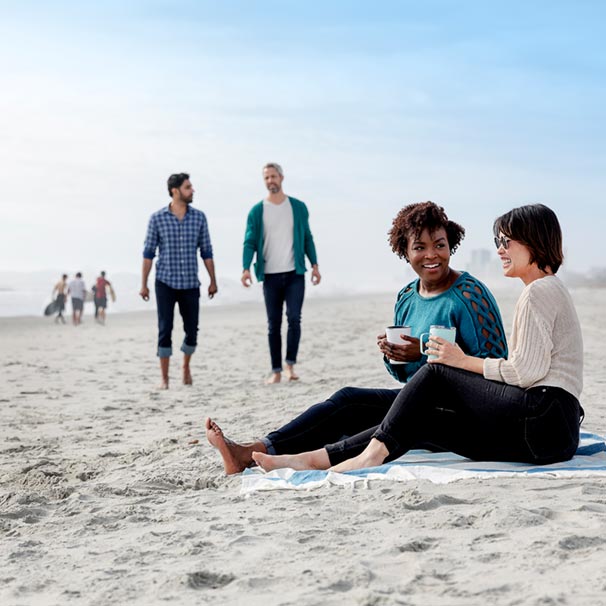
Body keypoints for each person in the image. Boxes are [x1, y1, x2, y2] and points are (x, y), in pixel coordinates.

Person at [252, 204, 584, 473]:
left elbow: (524, 373)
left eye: (506, 241)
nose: (500, 250)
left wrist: (455, 360)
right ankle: (313, 459)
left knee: (436, 371)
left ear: (533, 242)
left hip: (544, 418)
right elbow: (525, 371)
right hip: (550, 437)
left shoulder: (537, 292)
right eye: (498, 242)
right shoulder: (546, 290)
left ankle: (369, 456)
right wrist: (399, 356)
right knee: (422, 419)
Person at [206, 201, 508, 474]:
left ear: (450, 246)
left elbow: (494, 372)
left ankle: (306, 459)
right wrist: (394, 356)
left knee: (383, 426)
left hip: (460, 415)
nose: (431, 255)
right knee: (347, 400)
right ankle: (253, 450)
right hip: (419, 401)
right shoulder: (407, 297)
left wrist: (423, 354)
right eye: (420, 247)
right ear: (405, 251)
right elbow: (406, 377)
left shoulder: (470, 296)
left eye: (439, 245)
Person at [242, 163, 321, 384]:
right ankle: (276, 370)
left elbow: (307, 237)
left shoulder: (297, 207)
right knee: (273, 324)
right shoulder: (257, 211)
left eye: (273, 176)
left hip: (294, 274)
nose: (270, 181)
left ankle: (290, 365)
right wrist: (246, 267)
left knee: (294, 319)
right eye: (266, 178)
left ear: (282, 177)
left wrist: (314, 265)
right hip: (270, 275)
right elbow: (249, 242)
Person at [140, 173, 218, 389]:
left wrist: (213, 280)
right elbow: (148, 253)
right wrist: (144, 284)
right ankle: (164, 378)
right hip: (164, 281)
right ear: (175, 191)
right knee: (165, 329)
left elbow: (207, 251)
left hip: (190, 283)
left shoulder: (199, 218)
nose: (192, 190)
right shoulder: (157, 218)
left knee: (192, 330)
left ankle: (185, 366)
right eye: (188, 187)